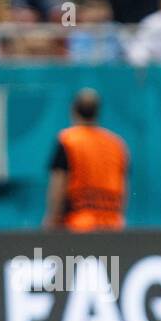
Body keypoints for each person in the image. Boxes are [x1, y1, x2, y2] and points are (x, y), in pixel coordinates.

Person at [41, 89, 129, 233]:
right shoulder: (117, 144)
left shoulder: (68, 140)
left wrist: (52, 220)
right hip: (112, 225)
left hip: (77, 225)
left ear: (73, 110)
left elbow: (58, 184)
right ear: (98, 112)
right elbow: (124, 187)